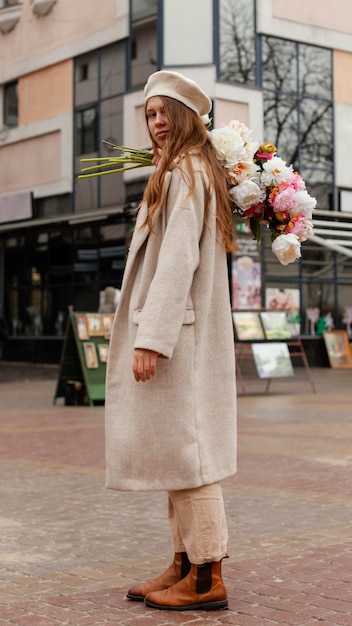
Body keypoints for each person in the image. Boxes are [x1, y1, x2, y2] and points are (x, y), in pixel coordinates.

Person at [105, 70, 237, 611]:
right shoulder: (185, 169)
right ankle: (183, 563)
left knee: (190, 457)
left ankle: (206, 580)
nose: (157, 124)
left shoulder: (187, 171)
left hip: (176, 335)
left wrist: (151, 339)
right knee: (178, 456)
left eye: (165, 114)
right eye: (150, 115)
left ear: (185, 119)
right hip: (184, 333)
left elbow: (179, 257)